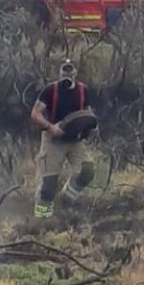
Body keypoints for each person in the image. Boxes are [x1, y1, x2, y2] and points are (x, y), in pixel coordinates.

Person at [29, 59, 97, 219]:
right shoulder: (50, 90)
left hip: (75, 139)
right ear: (60, 74)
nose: (67, 76)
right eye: (64, 72)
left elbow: (87, 112)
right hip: (53, 138)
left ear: (75, 73)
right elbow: (35, 113)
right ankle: (42, 220)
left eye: (70, 71)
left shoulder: (83, 90)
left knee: (87, 170)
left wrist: (90, 126)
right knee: (48, 186)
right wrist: (50, 127)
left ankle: (67, 201)